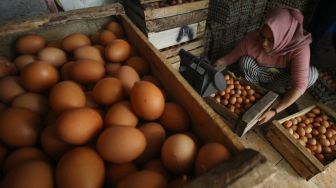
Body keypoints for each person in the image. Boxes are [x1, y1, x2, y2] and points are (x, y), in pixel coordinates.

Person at [214, 6, 319, 125]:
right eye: (262, 36)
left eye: (271, 40)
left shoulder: (299, 48)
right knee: (245, 61)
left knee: (311, 74)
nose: (264, 43)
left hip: (281, 79)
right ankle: (259, 94)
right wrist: (212, 68)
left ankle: (282, 97)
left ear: (284, 37)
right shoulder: (253, 39)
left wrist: (274, 111)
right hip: (259, 77)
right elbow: (227, 59)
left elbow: (299, 86)